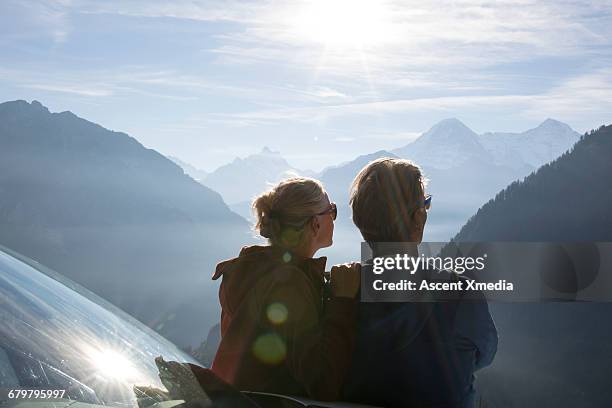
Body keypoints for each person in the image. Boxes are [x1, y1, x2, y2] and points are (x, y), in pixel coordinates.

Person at [342, 158, 498, 408]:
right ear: (418, 219)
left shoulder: (343, 290)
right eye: (426, 204)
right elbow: (484, 355)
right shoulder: (460, 294)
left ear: (360, 221)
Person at [210, 177, 361, 401]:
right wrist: (343, 300)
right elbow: (322, 383)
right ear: (315, 224)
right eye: (332, 210)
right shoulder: (289, 285)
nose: (334, 217)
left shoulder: (249, 270)